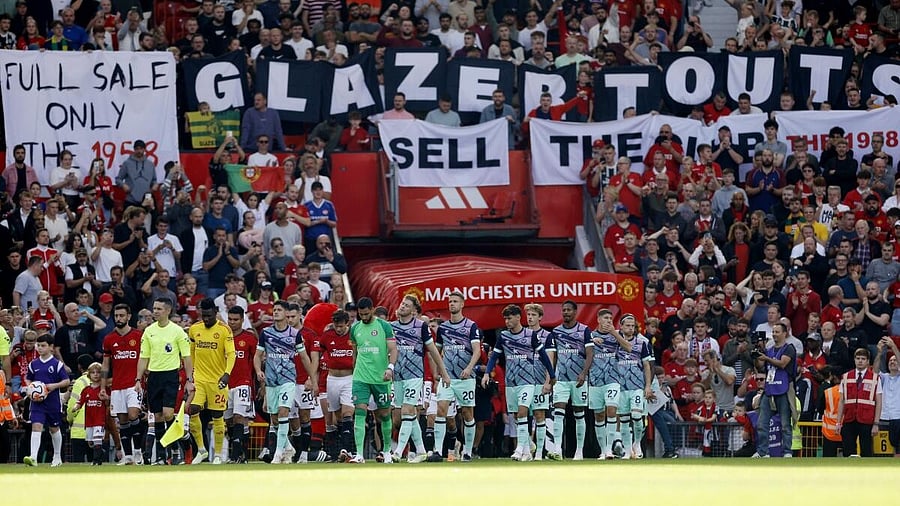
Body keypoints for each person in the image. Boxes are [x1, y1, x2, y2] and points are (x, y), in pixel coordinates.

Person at [482, 305, 555, 462]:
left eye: (509, 318)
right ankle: (528, 448)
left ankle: (523, 450)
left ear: (517, 317)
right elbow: (494, 357)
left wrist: (552, 377)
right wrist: (487, 373)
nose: (507, 321)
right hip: (511, 382)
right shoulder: (503, 337)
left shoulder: (531, 335)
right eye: (505, 319)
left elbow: (544, 356)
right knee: (516, 416)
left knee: (529, 413)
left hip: (529, 381)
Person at [254, 301, 318, 464]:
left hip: (288, 380)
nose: (275, 312)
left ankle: (278, 453)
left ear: (285, 313)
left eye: (279, 310)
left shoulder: (294, 334)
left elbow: (304, 358)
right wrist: (258, 371)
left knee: (284, 412)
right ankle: (288, 447)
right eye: (274, 310)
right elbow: (257, 355)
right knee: (274, 419)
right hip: (271, 381)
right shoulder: (265, 333)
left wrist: (313, 379)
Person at [134, 297, 194, 465]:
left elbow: (187, 357)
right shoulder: (149, 331)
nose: (155, 311)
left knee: (168, 413)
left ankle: (175, 449)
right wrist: (138, 379)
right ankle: (161, 455)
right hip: (153, 376)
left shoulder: (177, 332)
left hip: (170, 376)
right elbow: (143, 357)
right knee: (157, 416)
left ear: (168, 311)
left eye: (159, 309)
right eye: (154, 308)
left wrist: (190, 379)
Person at [390, 295, 450, 462]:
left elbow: (433, 351)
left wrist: (443, 373)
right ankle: (422, 451)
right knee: (406, 416)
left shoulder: (421, 326)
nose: (402, 306)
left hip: (414, 375)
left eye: (407, 305)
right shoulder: (391, 327)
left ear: (414, 310)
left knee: (407, 411)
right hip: (398, 376)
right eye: (402, 303)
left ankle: (398, 452)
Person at [430, 291, 482, 462]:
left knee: (467, 413)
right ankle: (437, 450)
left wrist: (469, 368)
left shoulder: (471, 326)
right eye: (450, 301)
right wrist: (437, 371)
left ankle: (467, 451)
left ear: (462, 304)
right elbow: (437, 351)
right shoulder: (443, 328)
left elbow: (477, 351)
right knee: (441, 410)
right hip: (448, 378)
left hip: (466, 378)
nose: (452, 304)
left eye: (455, 301)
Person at [346, 297, 397, 464]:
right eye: (361, 314)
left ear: (372, 310)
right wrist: (354, 372)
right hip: (361, 378)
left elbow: (393, 349)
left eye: (366, 314)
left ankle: (387, 451)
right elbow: (355, 352)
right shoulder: (354, 328)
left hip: (381, 378)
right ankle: (359, 454)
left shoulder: (384, 326)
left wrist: (390, 367)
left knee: (384, 414)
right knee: (359, 411)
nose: (364, 317)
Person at [187, 298, 235, 465]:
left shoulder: (224, 330)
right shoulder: (194, 329)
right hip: (199, 379)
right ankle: (201, 450)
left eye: (208, 315)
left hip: (217, 380)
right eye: (203, 315)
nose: (205, 319)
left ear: (215, 312)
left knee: (217, 415)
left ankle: (218, 455)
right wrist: (191, 375)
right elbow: (191, 353)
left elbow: (231, 354)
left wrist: (227, 374)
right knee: (192, 409)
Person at [100, 303, 144, 465]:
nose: (119, 319)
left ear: (129, 316)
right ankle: (128, 456)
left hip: (134, 384)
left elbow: (145, 359)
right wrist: (103, 387)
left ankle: (138, 452)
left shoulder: (139, 336)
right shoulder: (109, 339)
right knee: (123, 421)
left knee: (133, 414)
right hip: (117, 386)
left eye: (122, 315)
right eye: (116, 316)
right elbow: (105, 365)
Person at [549, 301, 593, 460]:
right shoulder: (556, 331)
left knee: (579, 413)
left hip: (578, 379)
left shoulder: (584, 330)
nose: (565, 312)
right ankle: (557, 449)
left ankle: (579, 451)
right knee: (558, 411)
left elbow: (590, 353)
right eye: (564, 310)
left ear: (575, 312)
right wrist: (551, 376)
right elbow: (553, 355)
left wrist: (584, 373)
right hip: (561, 379)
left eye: (568, 310)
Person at [589, 308, 631, 459]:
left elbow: (628, 347)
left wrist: (614, 333)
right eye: (605, 318)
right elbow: (582, 353)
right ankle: (602, 450)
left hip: (612, 379)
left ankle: (608, 449)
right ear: (598, 319)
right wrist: (591, 342)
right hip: (595, 380)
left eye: (610, 318)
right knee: (599, 415)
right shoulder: (590, 335)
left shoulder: (617, 334)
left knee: (612, 410)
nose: (608, 321)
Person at [23, 334, 70, 467]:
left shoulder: (57, 364)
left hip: (53, 402)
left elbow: (66, 381)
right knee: (36, 426)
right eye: (38, 345)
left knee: (54, 428)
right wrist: (30, 387)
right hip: (37, 403)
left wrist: (53, 386)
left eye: (43, 346)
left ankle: (57, 456)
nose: (40, 348)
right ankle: (33, 457)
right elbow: (28, 378)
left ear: (51, 347)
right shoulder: (34, 364)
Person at [753, 322, 795, 458]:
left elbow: (783, 364)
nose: (774, 334)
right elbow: (760, 366)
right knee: (762, 423)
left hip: (783, 388)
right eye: (773, 332)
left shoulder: (789, 348)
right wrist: (757, 355)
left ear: (784, 333)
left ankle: (787, 451)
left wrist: (765, 358)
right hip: (770, 388)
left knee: (785, 423)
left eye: (777, 332)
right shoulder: (769, 350)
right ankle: (762, 452)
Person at [615, 314, 653, 459]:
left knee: (637, 416)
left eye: (633, 326)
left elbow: (647, 366)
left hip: (637, 385)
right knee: (624, 419)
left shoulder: (642, 343)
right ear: (621, 327)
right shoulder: (615, 342)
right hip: (621, 386)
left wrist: (648, 386)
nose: (631, 328)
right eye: (628, 326)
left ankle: (637, 443)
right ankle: (627, 449)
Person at [225, 306, 257, 463]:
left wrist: (260, 382)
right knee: (229, 421)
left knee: (239, 417)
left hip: (243, 383)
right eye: (230, 319)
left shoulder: (249, 338)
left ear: (242, 320)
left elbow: (257, 360)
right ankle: (242, 453)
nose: (232, 322)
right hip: (224, 385)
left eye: (236, 320)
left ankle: (235, 456)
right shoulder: (223, 337)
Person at [837, 348, 882, 457]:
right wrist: (838, 422)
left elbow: (879, 402)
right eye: (858, 358)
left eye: (863, 359)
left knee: (867, 452)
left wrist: (876, 423)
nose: (860, 361)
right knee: (848, 452)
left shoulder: (875, 378)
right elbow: (842, 401)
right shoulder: (846, 377)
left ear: (868, 361)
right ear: (854, 360)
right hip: (849, 419)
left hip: (866, 420)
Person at [69, 362, 106, 465]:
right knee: (90, 442)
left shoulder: (104, 389)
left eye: (98, 372)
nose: (95, 374)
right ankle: (101, 454)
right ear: (89, 375)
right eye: (93, 372)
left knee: (97, 439)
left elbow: (109, 401)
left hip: (99, 419)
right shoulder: (86, 390)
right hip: (89, 421)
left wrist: (107, 399)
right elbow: (80, 401)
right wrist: (76, 407)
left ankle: (96, 460)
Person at [116, 140, 159, 209]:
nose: (139, 151)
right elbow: (118, 179)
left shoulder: (150, 164)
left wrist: (155, 184)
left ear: (144, 149)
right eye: (137, 149)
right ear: (134, 149)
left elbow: (154, 180)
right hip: (131, 200)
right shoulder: (127, 163)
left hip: (146, 201)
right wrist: (123, 185)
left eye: (141, 149)